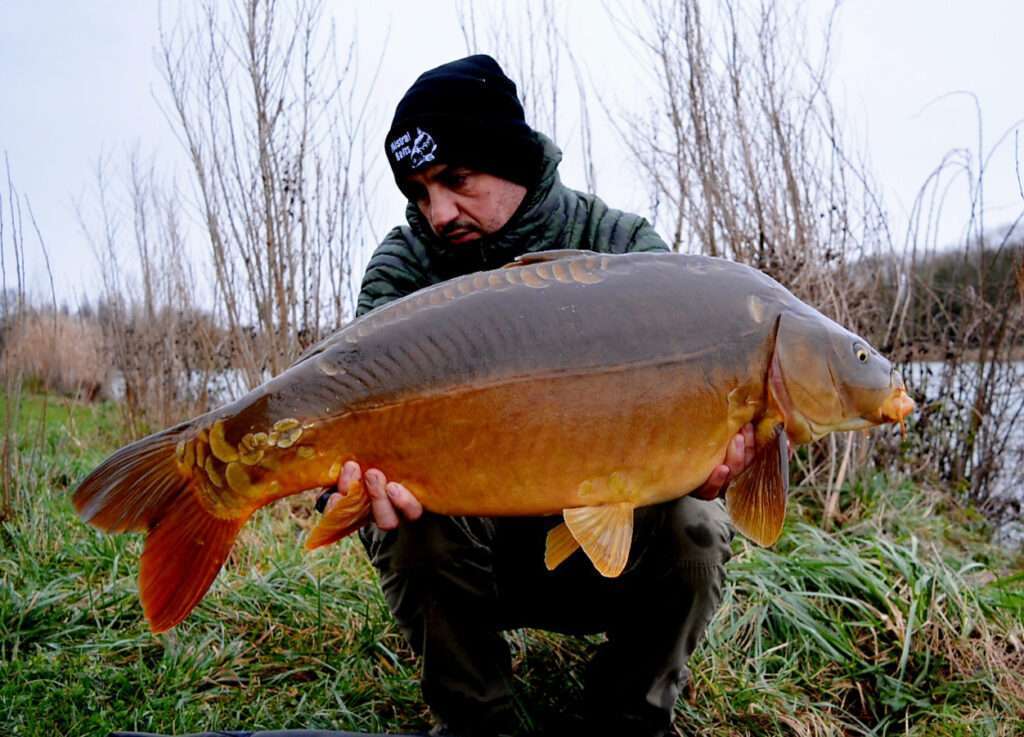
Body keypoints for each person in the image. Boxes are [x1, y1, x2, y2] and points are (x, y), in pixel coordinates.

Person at [316, 55, 753, 737]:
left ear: (511, 160)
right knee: (406, 519)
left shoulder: (621, 247)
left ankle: (628, 713)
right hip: (474, 553)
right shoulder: (406, 267)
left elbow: (688, 402)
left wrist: (706, 455)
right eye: (420, 191)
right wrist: (344, 483)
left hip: (602, 546)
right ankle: (477, 719)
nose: (438, 212)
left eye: (456, 181)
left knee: (699, 526)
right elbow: (350, 409)